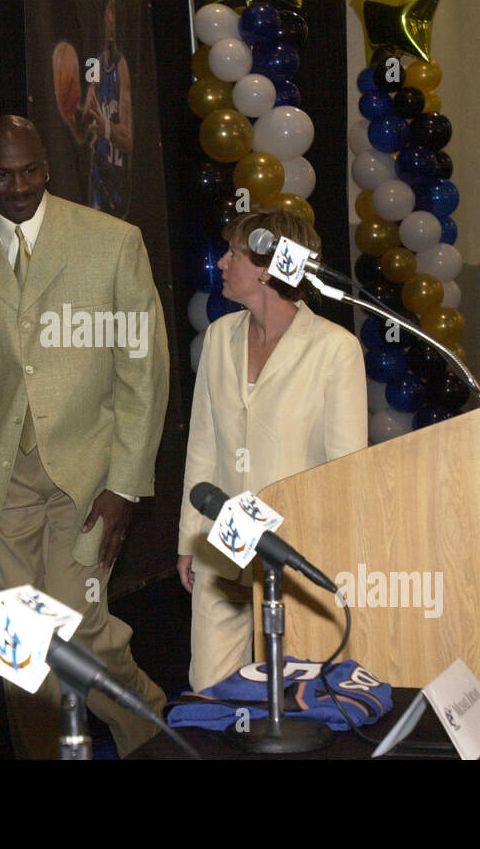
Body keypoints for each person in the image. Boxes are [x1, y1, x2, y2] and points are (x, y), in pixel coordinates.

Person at [0, 115, 170, 757]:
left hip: (91, 476)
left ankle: (153, 736)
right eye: (3, 174)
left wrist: (127, 486)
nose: (20, 185)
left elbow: (143, 375)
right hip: (1, 487)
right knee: (17, 641)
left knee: (83, 630)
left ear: (47, 168)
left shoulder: (113, 243)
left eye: (30, 170)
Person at [177, 209, 368, 692]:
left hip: (295, 548)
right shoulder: (220, 338)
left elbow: (346, 469)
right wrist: (188, 539)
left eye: (233, 254)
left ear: (267, 267)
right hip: (223, 542)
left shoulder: (335, 348)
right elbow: (201, 447)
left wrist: (335, 554)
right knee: (210, 691)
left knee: (296, 697)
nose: (220, 263)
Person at [68, 0, 132, 218]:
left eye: (115, 10)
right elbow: (83, 127)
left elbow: (126, 138)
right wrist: (69, 105)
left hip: (117, 185)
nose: (111, 17)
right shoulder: (96, 63)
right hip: (97, 181)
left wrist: (106, 127)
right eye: (109, 9)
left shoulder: (120, 65)